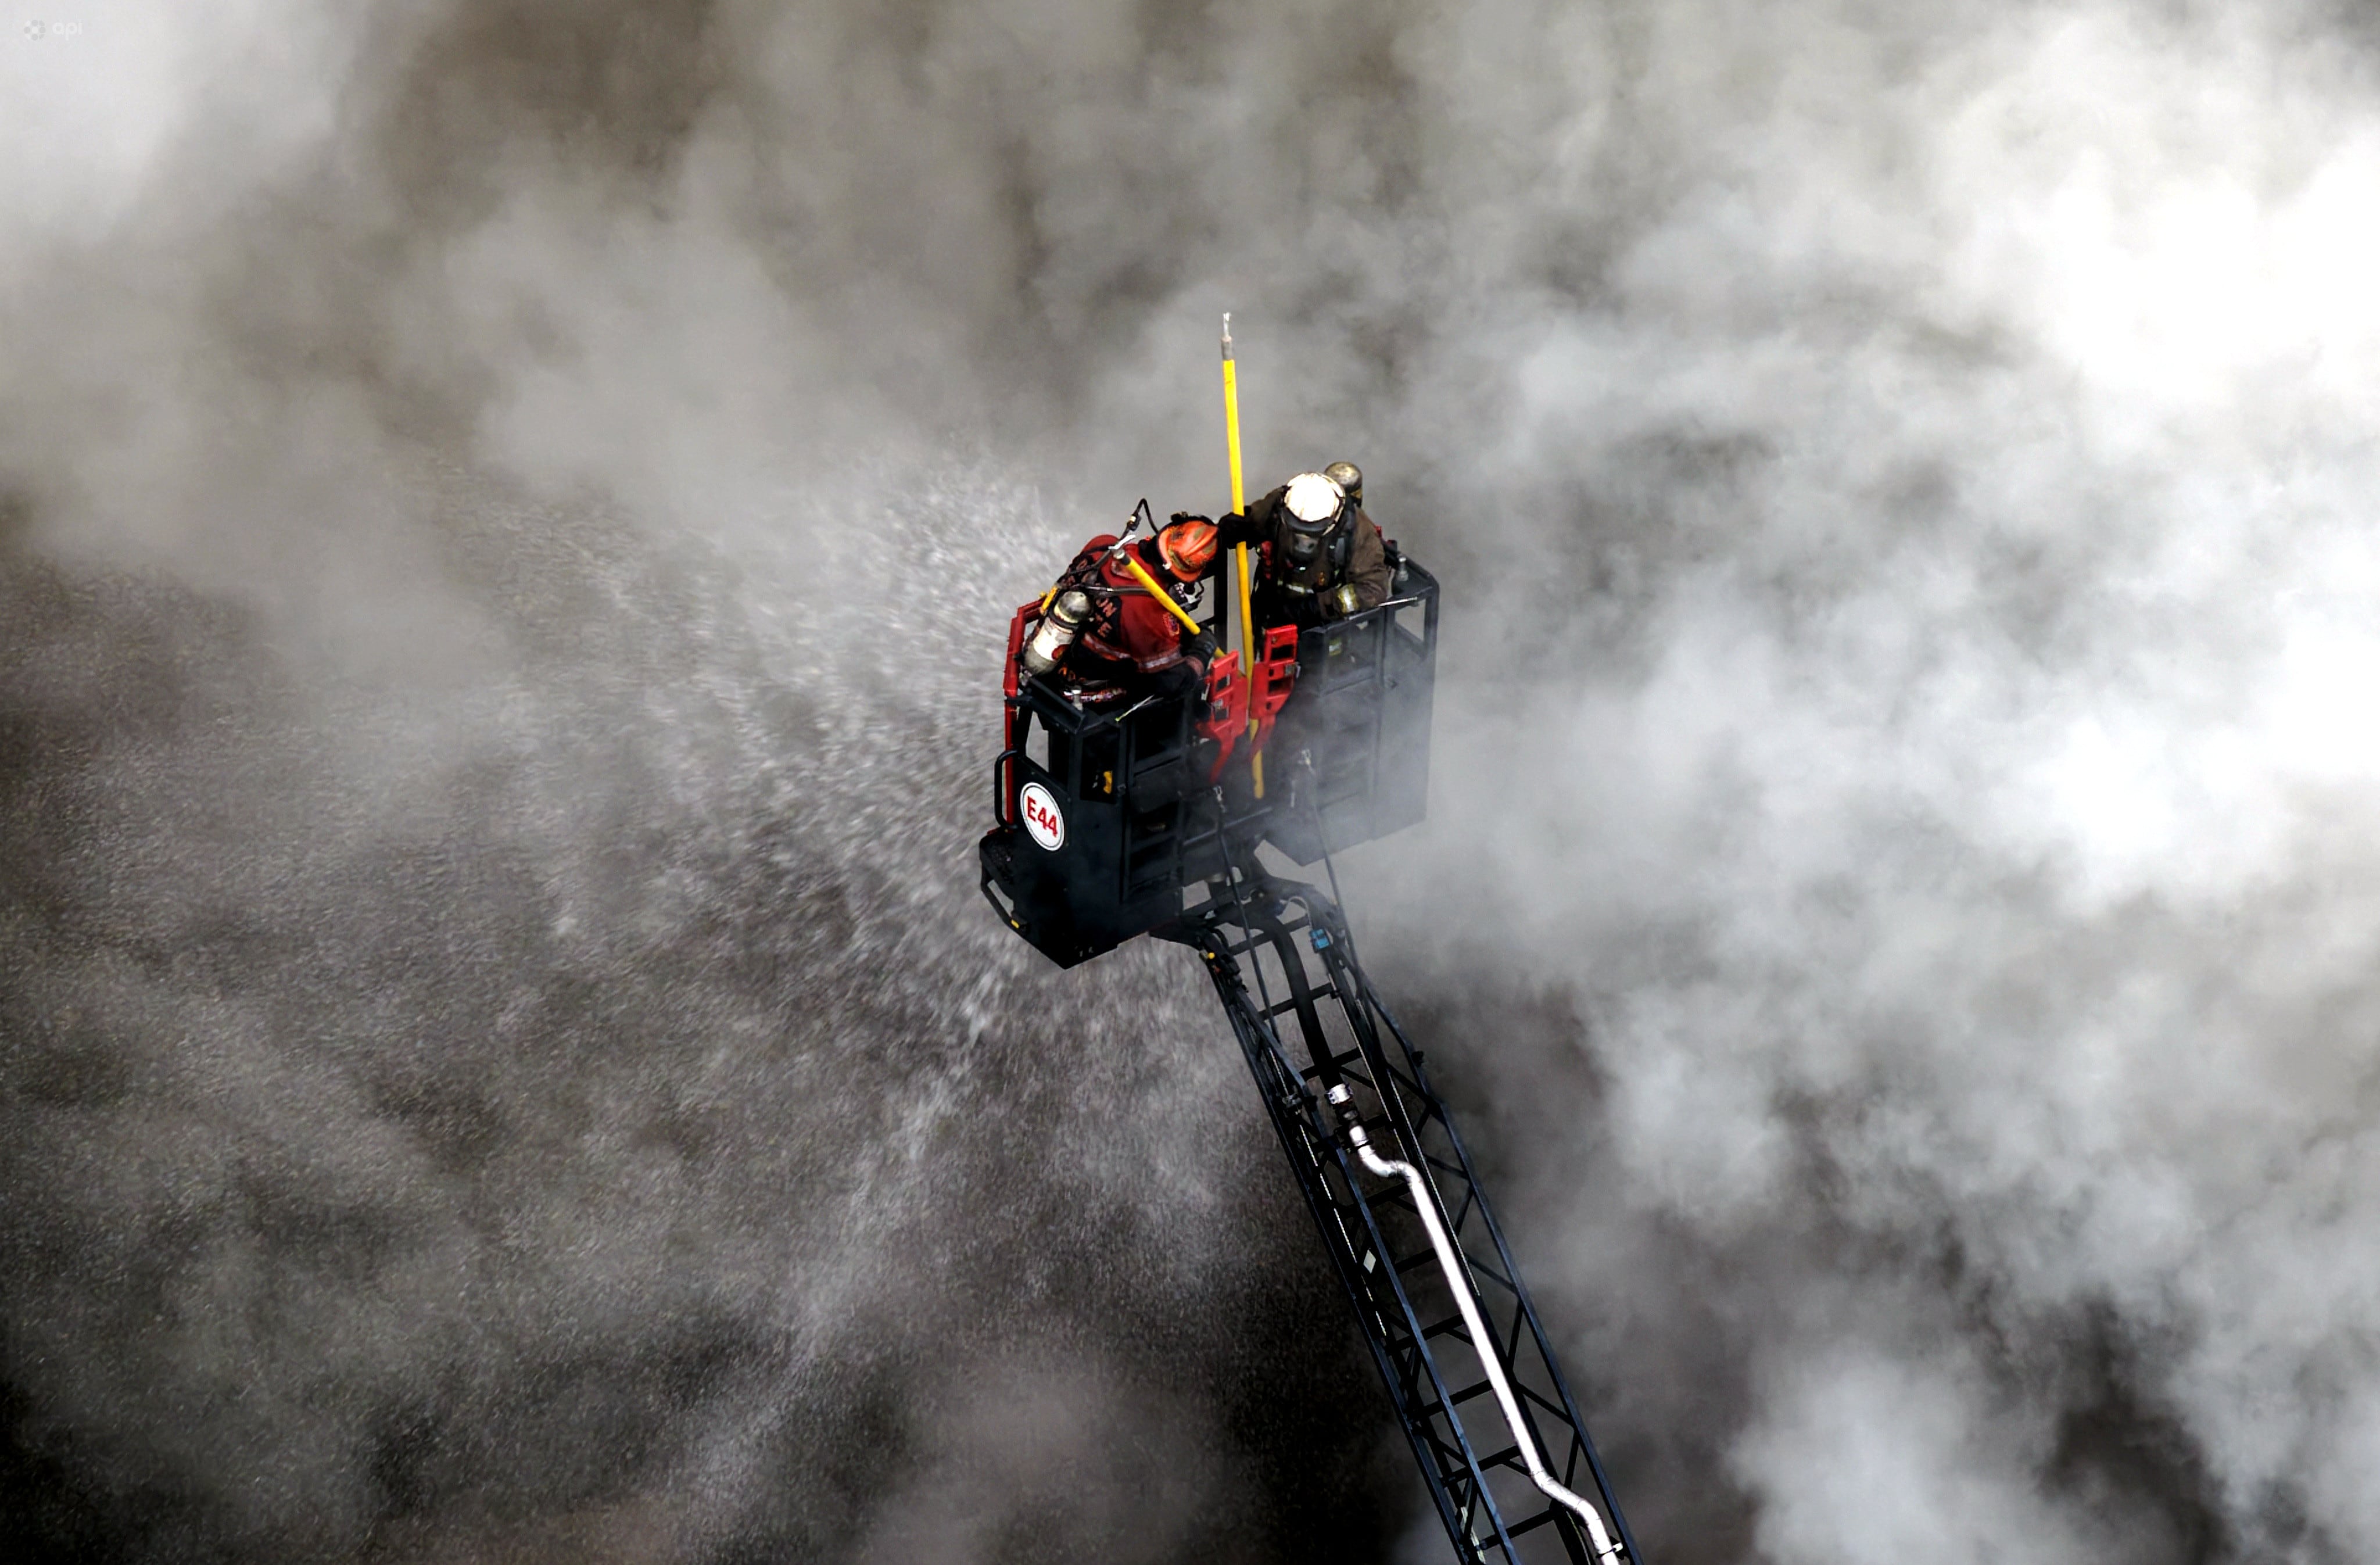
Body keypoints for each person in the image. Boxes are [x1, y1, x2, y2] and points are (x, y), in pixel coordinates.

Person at [1040, 514, 1221, 700]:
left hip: (1051, 662)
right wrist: (1201, 652)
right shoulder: (1148, 615)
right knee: (1181, 694)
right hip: (1089, 694)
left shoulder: (1102, 545)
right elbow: (1172, 683)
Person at [1210, 467, 1393, 628]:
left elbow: (1373, 589)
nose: (1303, 544)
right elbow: (1255, 521)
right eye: (1297, 533)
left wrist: (1316, 607)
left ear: (1332, 523)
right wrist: (1234, 528)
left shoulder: (1359, 532)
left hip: (1324, 630)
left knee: (1322, 666)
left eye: (1312, 536)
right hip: (1274, 614)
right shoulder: (1282, 503)